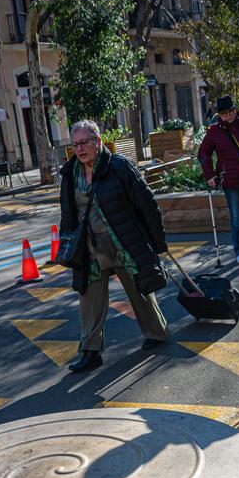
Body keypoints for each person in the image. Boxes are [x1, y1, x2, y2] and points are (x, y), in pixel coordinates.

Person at [58, 119, 169, 374]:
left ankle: (156, 332)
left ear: (97, 142)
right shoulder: (69, 174)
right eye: (75, 144)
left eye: (84, 142)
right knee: (89, 300)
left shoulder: (119, 167)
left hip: (123, 242)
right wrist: (66, 243)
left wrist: (158, 242)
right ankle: (90, 351)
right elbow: (68, 214)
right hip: (90, 249)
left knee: (140, 290)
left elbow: (147, 205)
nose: (80, 149)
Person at [197, 95, 239, 264]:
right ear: (218, 115)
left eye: (230, 111)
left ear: (236, 110)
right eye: (223, 113)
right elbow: (203, 153)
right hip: (229, 179)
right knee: (236, 217)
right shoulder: (214, 132)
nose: (228, 116)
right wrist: (209, 175)